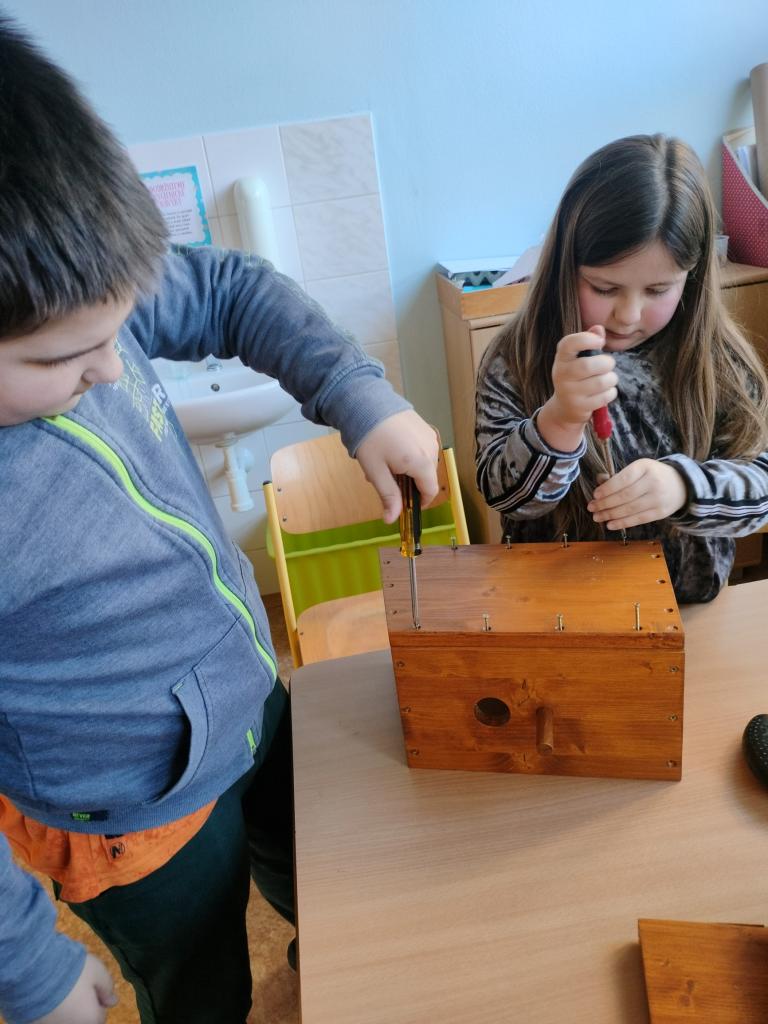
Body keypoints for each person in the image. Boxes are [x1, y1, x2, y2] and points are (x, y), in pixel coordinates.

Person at [0, 16, 440, 1024]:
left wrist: (359, 395)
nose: (110, 367)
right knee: (201, 987)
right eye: (62, 359)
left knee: (321, 883)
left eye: (120, 329)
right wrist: (28, 969)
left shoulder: (75, 302)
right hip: (131, 817)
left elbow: (233, 290)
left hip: (253, 706)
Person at [475, 133, 768, 604]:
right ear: (566, 265)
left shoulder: (718, 360)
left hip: (687, 612)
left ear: (692, 277)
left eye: (658, 290)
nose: (628, 315)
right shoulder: (516, 357)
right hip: (555, 613)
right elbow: (505, 495)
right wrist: (559, 420)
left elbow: (762, 487)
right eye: (604, 288)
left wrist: (683, 487)